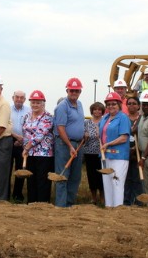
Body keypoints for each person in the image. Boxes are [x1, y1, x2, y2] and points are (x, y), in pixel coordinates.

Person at [53, 77, 85, 207]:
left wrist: (83, 133)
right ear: (67, 90)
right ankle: (61, 205)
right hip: (65, 144)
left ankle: (70, 203)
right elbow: (60, 128)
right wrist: (70, 145)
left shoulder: (80, 104)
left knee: (75, 176)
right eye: (72, 90)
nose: (74, 93)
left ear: (80, 92)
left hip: (78, 144)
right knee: (62, 175)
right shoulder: (62, 106)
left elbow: (78, 122)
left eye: (76, 91)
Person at [22, 90, 54, 203]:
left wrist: (26, 147)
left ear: (43, 103)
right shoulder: (27, 116)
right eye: (33, 102)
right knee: (31, 180)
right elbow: (24, 132)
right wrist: (24, 147)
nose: (35, 105)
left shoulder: (48, 117)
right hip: (30, 154)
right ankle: (31, 203)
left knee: (42, 181)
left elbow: (39, 135)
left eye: (38, 102)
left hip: (43, 155)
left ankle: (42, 204)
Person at [99, 92, 131, 207]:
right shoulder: (105, 118)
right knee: (107, 184)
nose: (111, 106)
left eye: (114, 104)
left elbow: (124, 137)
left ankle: (118, 209)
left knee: (116, 183)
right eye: (108, 104)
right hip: (105, 156)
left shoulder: (123, 118)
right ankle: (109, 207)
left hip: (119, 157)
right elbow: (100, 134)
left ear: (119, 104)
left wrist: (108, 144)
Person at [10, 90, 31, 202]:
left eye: (21, 97)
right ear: (13, 97)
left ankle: (17, 194)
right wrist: (15, 136)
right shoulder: (7, 109)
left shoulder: (29, 110)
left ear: (24, 99)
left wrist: (21, 139)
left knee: (21, 169)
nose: (19, 99)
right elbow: (4, 125)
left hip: (23, 142)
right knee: (7, 169)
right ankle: (5, 194)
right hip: (9, 140)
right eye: (17, 97)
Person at [82, 102, 105, 205]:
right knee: (91, 175)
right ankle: (93, 198)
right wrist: (84, 135)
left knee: (101, 175)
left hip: (101, 153)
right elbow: (82, 135)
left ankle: (102, 198)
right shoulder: (86, 123)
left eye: (99, 110)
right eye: (95, 109)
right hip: (89, 153)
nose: (97, 111)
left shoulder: (104, 122)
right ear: (92, 111)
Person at [123, 96, 143, 206]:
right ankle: (126, 202)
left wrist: (136, 148)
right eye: (129, 103)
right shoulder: (124, 118)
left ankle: (138, 201)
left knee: (137, 178)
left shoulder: (142, 119)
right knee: (127, 178)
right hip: (126, 152)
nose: (131, 106)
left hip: (138, 153)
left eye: (134, 103)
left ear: (138, 105)